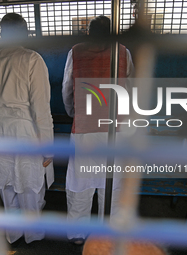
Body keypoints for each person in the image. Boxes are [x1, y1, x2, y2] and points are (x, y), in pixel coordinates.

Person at [62, 15, 134, 244]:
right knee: (111, 181)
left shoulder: (76, 51)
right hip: (115, 128)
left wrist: (75, 113)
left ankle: (77, 234)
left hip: (84, 128)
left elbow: (67, 87)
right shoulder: (123, 52)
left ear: (89, 33)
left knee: (80, 182)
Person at [0, 13, 54, 244]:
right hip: (25, 127)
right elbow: (41, 107)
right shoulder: (32, 59)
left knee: (7, 183)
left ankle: (13, 233)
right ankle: (33, 234)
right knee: (30, 183)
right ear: (25, 33)